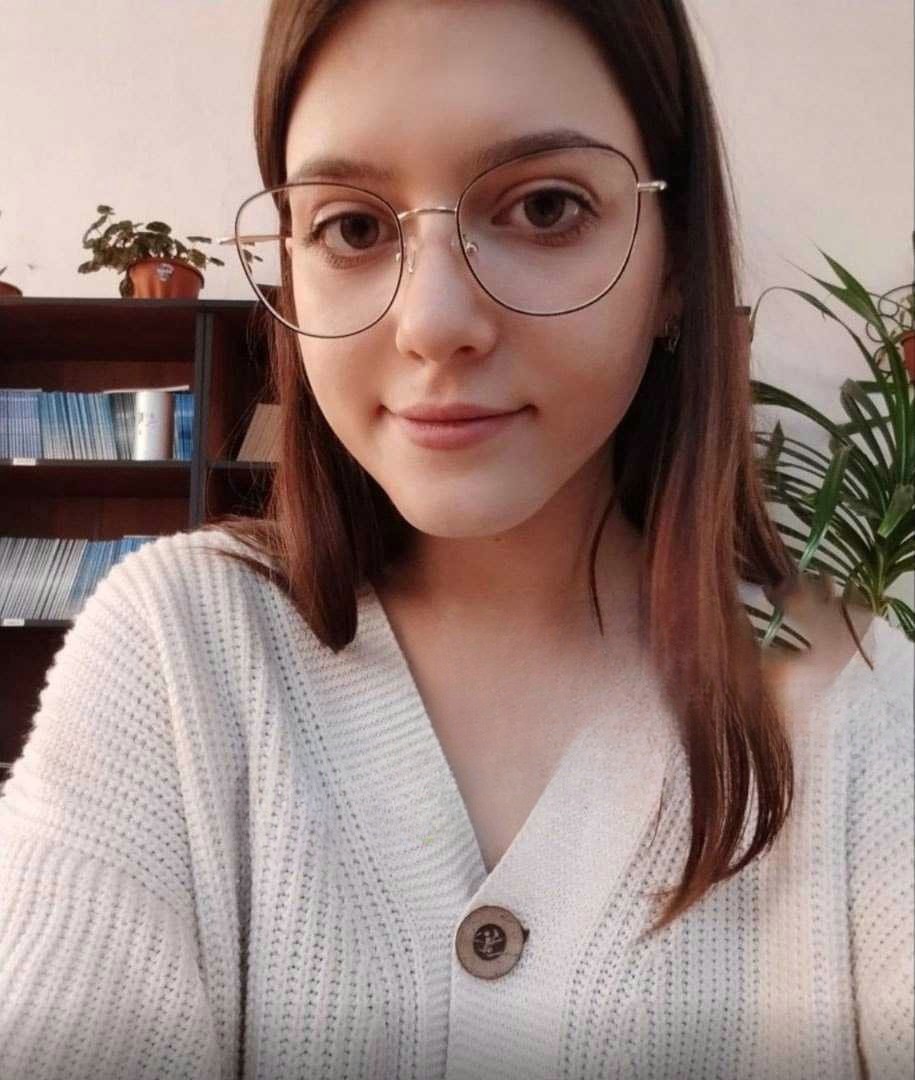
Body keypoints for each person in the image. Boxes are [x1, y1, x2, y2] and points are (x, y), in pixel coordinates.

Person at [1, 0, 912, 1077]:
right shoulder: (178, 655)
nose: (432, 321)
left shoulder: (854, 701)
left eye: (544, 207)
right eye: (352, 228)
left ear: (674, 266)